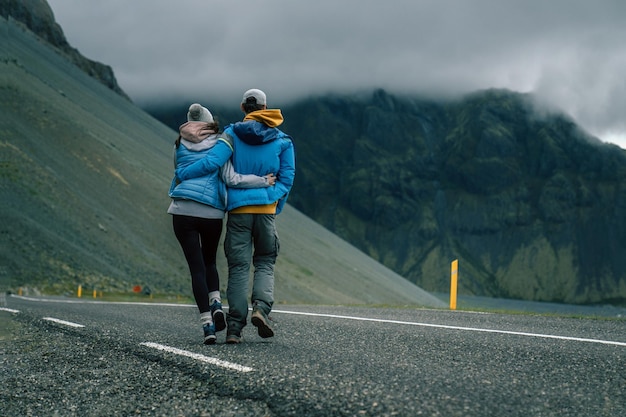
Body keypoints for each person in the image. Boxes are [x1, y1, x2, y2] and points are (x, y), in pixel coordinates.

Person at [175, 89, 296, 344]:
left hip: (238, 212)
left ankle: (234, 329)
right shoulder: (283, 139)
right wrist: (273, 202)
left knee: (239, 267)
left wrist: (183, 174)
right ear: (265, 107)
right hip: (266, 210)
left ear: (243, 107)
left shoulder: (230, 134)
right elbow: (287, 178)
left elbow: (213, 163)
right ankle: (261, 309)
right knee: (264, 261)